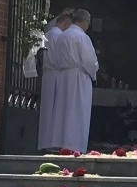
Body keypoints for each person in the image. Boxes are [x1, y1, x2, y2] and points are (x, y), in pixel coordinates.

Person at [38, 9, 98, 154]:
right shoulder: (82, 37)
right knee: (76, 111)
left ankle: (59, 142)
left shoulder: (62, 36)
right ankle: (74, 144)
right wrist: (94, 71)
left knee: (63, 110)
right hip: (79, 77)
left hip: (64, 76)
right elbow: (89, 61)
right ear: (84, 22)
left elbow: (56, 58)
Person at [35, 11, 72, 149]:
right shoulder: (59, 36)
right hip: (56, 73)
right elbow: (61, 57)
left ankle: (44, 141)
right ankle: (53, 142)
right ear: (65, 24)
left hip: (47, 74)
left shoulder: (47, 34)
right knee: (55, 109)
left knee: (47, 108)